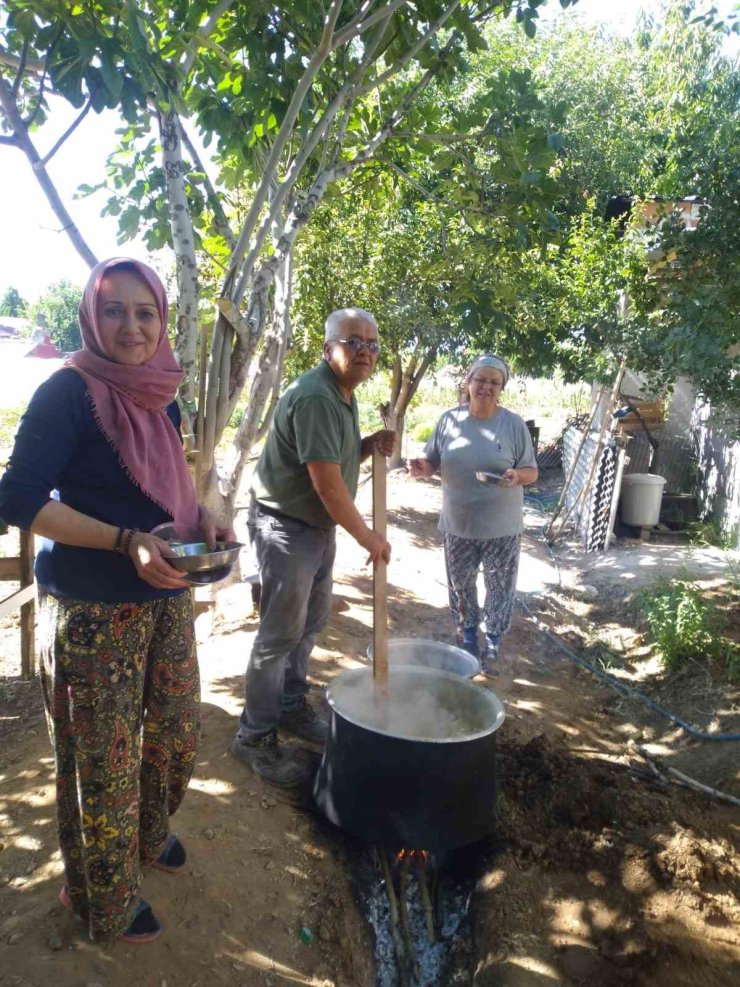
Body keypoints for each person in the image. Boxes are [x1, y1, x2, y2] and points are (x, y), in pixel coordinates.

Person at [0, 258, 231, 944]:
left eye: (145, 312)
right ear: (91, 318)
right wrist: (123, 540)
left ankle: (148, 832)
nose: (130, 326)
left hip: (163, 596)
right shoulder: (66, 394)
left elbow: (182, 482)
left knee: (174, 730)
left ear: (162, 320)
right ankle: (100, 895)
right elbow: (18, 499)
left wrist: (208, 519)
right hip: (92, 609)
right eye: (114, 310)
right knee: (101, 758)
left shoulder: (165, 393)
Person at [232, 308, 393, 787]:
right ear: (329, 349)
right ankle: (254, 737)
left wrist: (367, 445)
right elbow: (327, 485)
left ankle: (288, 706)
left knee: (311, 623)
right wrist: (368, 537)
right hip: (287, 527)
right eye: (353, 341)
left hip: (315, 529)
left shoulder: (344, 394)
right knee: (279, 634)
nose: (364, 350)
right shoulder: (318, 396)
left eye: (371, 343)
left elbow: (332, 457)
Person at [409, 355, 537, 677]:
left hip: (502, 527)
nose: (486, 387)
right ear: (468, 382)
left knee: (499, 586)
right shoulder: (448, 421)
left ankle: (492, 642)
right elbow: (432, 461)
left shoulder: (513, 425)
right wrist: (422, 468)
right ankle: (468, 638)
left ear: (501, 388)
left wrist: (516, 477)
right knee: (462, 585)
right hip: (458, 524)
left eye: (495, 382)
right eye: (481, 379)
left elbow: (532, 471)